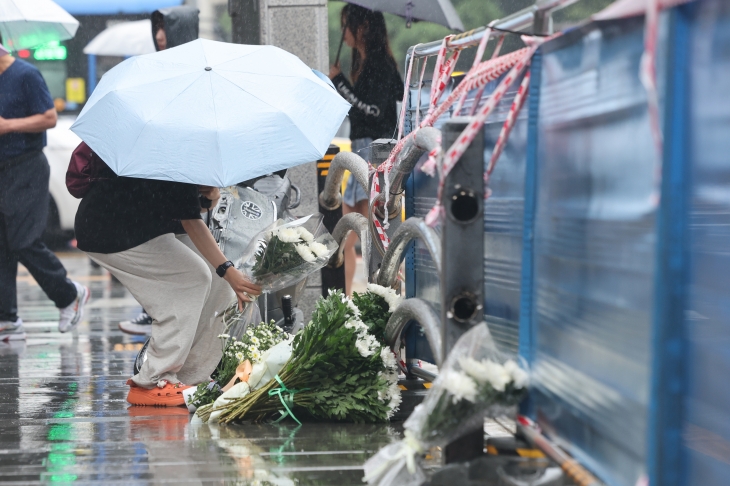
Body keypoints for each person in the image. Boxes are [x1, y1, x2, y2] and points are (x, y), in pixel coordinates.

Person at [74, 160, 262, 406]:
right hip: (110, 227)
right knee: (191, 279)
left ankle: (189, 378)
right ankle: (154, 380)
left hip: (149, 224)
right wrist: (228, 269)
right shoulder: (178, 151)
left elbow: (188, 207)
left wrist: (208, 195)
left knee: (220, 285)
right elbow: (191, 222)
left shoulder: (193, 149)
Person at [118, 5, 201, 336]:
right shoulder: (154, 71)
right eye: (157, 30)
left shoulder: (195, 71)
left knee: (187, 250)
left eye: (165, 29)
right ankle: (156, 311)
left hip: (181, 173)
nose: (160, 36)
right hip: (157, 176)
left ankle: (167, 317)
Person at [0, 38, 89, 340]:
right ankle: (7, 319)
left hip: (26, 167)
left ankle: (68, 295)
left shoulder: (25, 74)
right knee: (2, 245)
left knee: (24, 240)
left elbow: (49, 117)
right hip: (1, 170)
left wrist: (8, 125)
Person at [329, 4, 402, 295]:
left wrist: (339, 82)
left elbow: (371, 110)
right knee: (356, 227)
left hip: (375, 151)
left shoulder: (378, 65)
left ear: (361, 28)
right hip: (363, 148)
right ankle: (355, 293)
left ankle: (366, 291)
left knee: (368, 227)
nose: (343, 33)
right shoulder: (367, 63)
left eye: (346, 25)